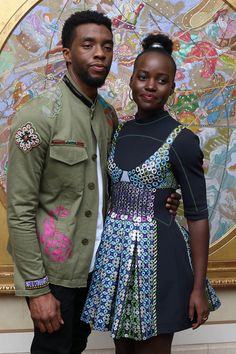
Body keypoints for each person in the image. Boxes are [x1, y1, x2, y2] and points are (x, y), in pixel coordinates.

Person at [7, 11, 180, 354]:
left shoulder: (107, 116)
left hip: (98, 269)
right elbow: (20, 210)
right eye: (88, 45)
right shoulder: (38, 116)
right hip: (56, 274)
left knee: (76, 347)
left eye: (107, 46)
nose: (100, 53)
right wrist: (37, 289)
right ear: (67, 53)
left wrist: (163, 199)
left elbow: (120, 185)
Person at [81, 33, 221, 354]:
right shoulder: (119, 131)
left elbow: (198, 217)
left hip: (160, 262)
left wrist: (198, 287)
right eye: (143, 77)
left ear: (172, 87)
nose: (150, 85)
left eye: (161, 80)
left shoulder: (182, 140)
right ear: (131, 80)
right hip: (116, 262)